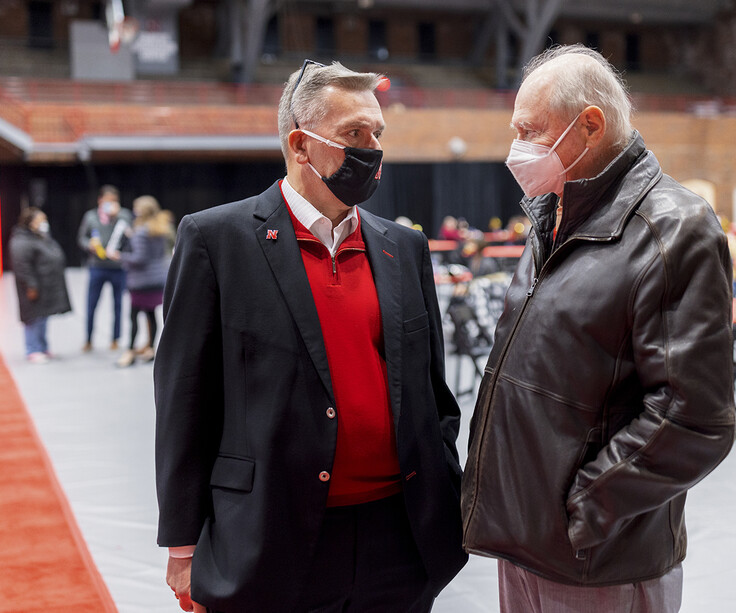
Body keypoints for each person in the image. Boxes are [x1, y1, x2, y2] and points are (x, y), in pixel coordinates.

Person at [154, 60, 467, 613]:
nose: (372, 148)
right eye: (354, 134)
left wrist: (442, 483)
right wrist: (183, 543)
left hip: (399, 537)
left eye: (377, 133)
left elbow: (432, 392)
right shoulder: (214, 239)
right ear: (301, 145)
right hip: (271, 534)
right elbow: (184, 398)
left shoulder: (404, 247)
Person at [460, 45, 735, 612]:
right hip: (526, 542)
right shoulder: (550, 216)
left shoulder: (673, 229)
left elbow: (695, 418)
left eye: (530, 130)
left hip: (597, 561)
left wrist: (584, 510)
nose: (518, 147)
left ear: (589, 126)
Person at [9, 207, 72, 363]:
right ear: (30, 222)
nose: (44, 223)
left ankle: (43, 347)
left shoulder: (41, 237)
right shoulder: (21, 241)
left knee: (43, 317)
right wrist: (31, 285)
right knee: (32, 318)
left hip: (46, 285)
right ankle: (32, 349)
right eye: (40, 220)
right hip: (33, 287)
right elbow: (21, 266)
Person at [117, 195, 173, 367]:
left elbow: (139, 258)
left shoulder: (141, 232)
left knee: (133, 316)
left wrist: (121, 257)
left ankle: (130, 351)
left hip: (141, 281)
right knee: (150, 314)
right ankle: (150, 348)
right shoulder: (161, 228)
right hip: (157, 278)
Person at [76, 185, 131, 352]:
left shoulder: (124, 216)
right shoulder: (91, 216)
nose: (110, 204)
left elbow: (131, 238)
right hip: (97, 267)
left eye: (114, 201)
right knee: (91, 304)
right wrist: (89, 246)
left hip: (118, 268)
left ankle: (115, 339)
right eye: (107, 200)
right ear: (100, 200)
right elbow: (81, 238)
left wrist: (117, 218)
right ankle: (88, 339)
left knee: (118, 305)